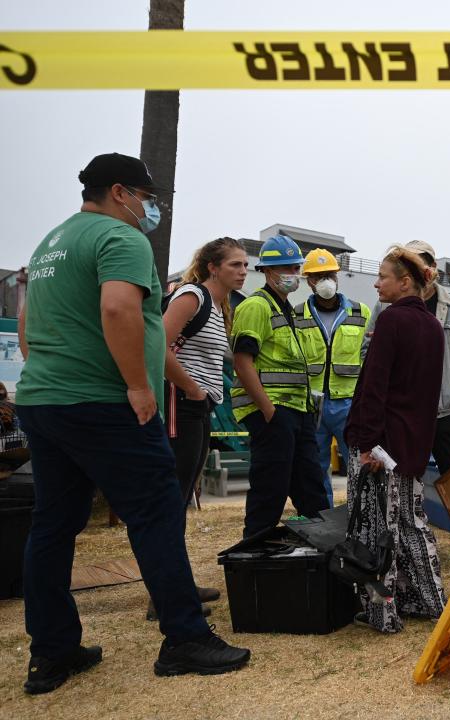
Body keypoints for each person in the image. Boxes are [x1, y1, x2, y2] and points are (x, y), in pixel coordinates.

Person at [15, 153, 250, 694]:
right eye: (147, 197)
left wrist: (50, 372)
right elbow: (121, 310)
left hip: (45, 401)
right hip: (102, 404)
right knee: (156, 512)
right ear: (120, 193)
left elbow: (28, 323)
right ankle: (185, 639)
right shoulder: (121, 240)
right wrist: (139, 386)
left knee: (52, 525)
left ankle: (52, 653)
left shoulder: (52, 242)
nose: (151, 208)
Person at [344, 246, 446, 634]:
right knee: (412, 522)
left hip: (381, 444)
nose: (376, 282)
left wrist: (368, 444)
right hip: (413, 443)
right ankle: (431, 601)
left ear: (405, 282)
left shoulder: (391, 322)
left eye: (383, 276)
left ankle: (383, 613)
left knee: (376, 526)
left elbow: (375, 388)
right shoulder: (433, 327)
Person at [150, 237, 248, 620]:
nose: (242, 271)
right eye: (234, 265)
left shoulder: (221, 305)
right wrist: (190, 388)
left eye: (244, 265)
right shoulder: (192, 295)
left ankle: (176, 585)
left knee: (184, 496)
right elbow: (156, 344)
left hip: (199, 405)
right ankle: (165, 596)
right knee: (172, 499)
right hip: (181, 403)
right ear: (213, 267)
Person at [231, 234, 329, 538]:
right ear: (267, 271)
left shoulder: (286, 308)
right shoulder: (256, 306)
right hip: (273, 411)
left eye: (295, 268)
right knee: (270, 486)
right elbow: (242, 361)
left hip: (297, 410)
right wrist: (268, 411)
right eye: (284, 268)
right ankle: (254, 549)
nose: (292, 275)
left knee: (311, 483)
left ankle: (324, 546)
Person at [361, 239, 450, 475]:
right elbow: (367, 350)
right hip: (402, 415)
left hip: (443, 412)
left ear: (432, 267)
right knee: (400, 478)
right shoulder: (386, 307)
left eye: (418, 262)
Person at [294, 248, 370, 508]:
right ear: (309, 281)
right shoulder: (296, 315)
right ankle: (322, 518)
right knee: (314, 466)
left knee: (359, 463)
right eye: (318, 276)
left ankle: (361, 516)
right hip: (311, 403)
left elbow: (371, 359)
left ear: (337, 276)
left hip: (349, 402)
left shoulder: (362, 313)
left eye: (329, 274)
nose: (325, 280)